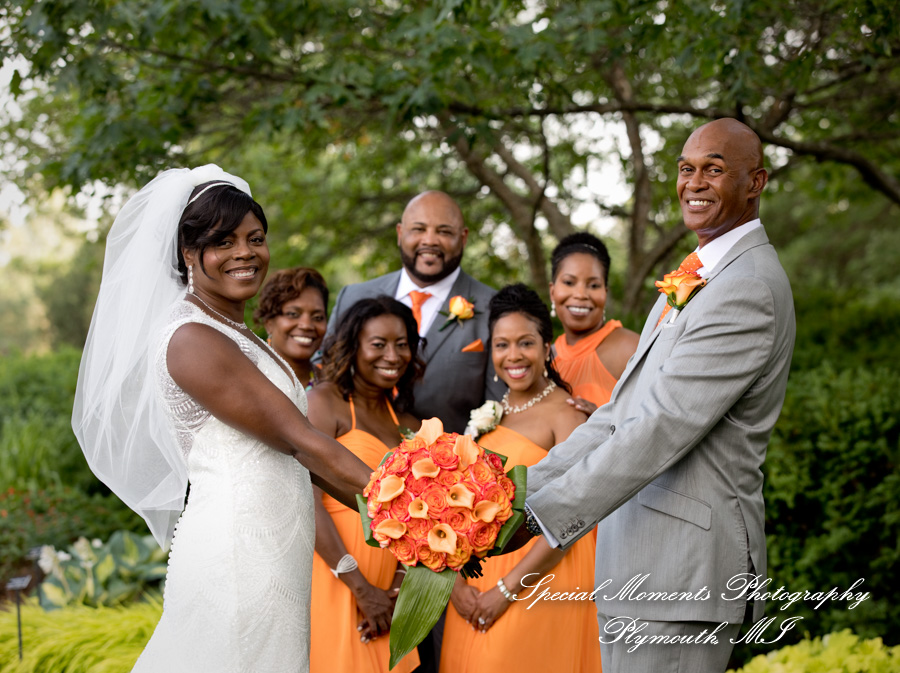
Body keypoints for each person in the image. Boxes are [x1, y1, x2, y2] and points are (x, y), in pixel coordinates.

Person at [71, 166, 372, 673]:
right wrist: (410, 502)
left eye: (255, 239)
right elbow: (299, 440)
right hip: (239, 553)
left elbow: (305, 461)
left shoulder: (238, 333)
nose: (245, 253)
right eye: (224, 242)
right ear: (189, 253)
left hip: (276, 547)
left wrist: (397, 521)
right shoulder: (191, 337)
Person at [523, 119, 796, 673]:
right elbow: (621, 413)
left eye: (714, 169)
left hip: (681, 573)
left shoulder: (746, 287)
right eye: (686, 169)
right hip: (638, 566)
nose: (694, 182)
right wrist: (515, 494)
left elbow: (660, 427)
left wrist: (536, 516)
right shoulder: (696, 276)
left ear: (755, 182)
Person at [440, 284, 602, 673]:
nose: (513, 355)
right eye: (502, 345)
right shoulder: (489, 414)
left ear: (547, 348)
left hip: (537, 580)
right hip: (473, 584)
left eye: (526, 343)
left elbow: (572, 516)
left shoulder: (567, 416)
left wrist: (505, 590)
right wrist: (455, 586)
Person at [306, 296, 424, 673]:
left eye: (401, 344)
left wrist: (398, 587)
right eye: (378, 344)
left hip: (390, 591)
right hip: (336, 576)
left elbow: (422, 517)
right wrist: (360, 587)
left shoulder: (411, 424)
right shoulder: (325, 403)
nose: (392, 355)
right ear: (353, 347)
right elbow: (305, 501)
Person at [326, 190, 505, 435]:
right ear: (400, 234)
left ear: (463, 238)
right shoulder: (353, 296)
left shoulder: (495, 309)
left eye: (444, 232)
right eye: (418, 229)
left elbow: (501, 407)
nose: (430, 240)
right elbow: (325, 373)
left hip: (450, 454)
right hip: (350, 447)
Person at [549, 232, 639, 414]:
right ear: (552, 292)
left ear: (605, 292)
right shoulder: (545, 357)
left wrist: (602, 422)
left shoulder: (630, 349)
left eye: (593, 285)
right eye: (569, 282)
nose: (581, 294)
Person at [254, 266, 329, 386]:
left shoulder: (335, 388)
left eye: (317, 317)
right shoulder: (244, 379)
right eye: (293, 314)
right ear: (269, 323)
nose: (306, 325)